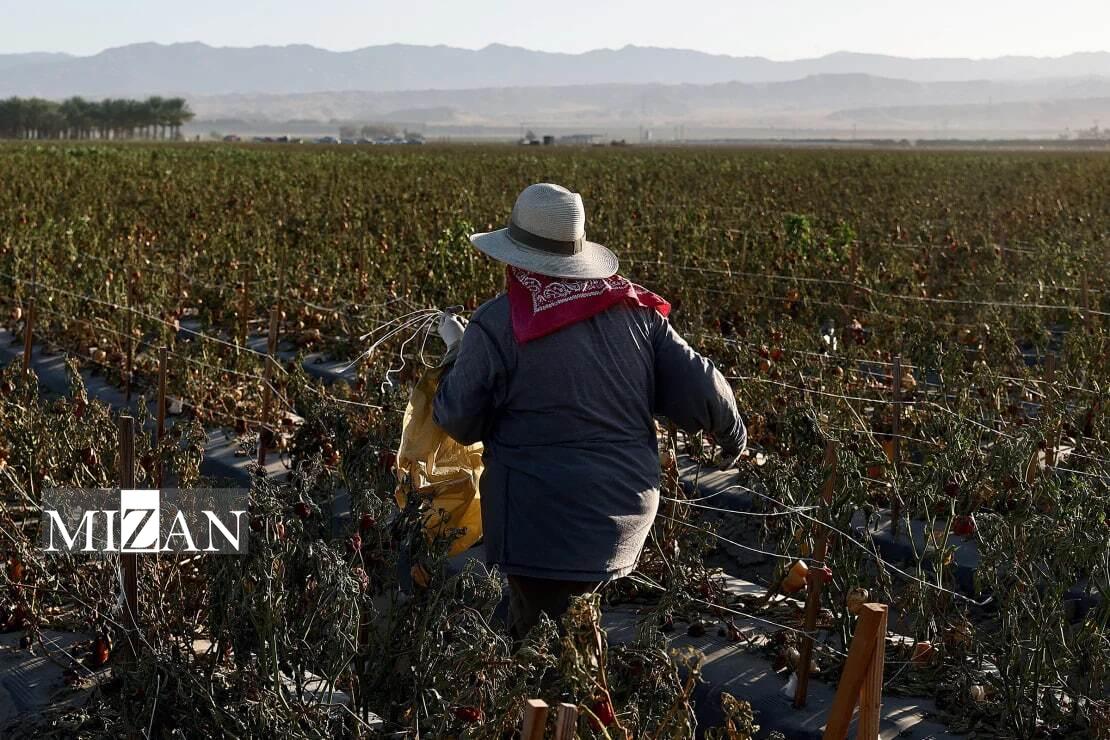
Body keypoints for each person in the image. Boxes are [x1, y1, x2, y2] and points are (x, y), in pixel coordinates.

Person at [433, 183, 745, 639]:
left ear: (514, 257)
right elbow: (702, 386)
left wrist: (458, 354)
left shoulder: (497, 324)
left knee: (537, 645)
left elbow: (458, 419)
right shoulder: (635, 310)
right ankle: (578, 693)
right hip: (625, 514)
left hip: (540, 523)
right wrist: (733, 435)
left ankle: (554, 703)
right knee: (576, 628)